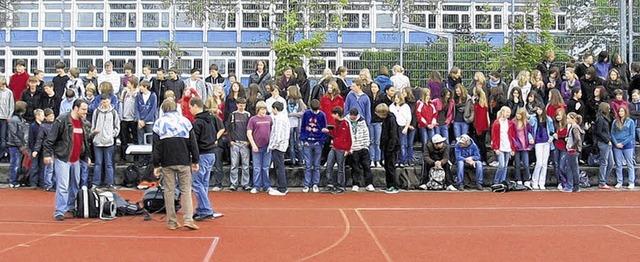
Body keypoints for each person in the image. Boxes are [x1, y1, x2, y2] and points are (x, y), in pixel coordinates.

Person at [152, 98, 200, 230]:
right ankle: (188, 219)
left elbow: (156, 147)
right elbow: (193, 144)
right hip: (183, 160)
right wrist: (195, 160)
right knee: (185, 190)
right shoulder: (186, 122)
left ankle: (172, 221)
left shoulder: (158, 124)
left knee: (169, 191)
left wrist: (156, 165)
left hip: (167, 161)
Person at [44, 99, 91, 221]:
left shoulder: (84, 123)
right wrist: (47, 154)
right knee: (63, 186)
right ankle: (60, 210)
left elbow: (85, 142)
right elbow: (50, 139)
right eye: (83, 109)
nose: (86, 112)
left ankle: (71, 206)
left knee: (75, 184)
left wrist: (87, 157)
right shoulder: (62, 120)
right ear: (76, 108)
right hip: (63, 158)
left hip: (76, 159)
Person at [190, 97, 222, 221]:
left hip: (202, 154)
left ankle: (206, 209)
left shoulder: (198, 122)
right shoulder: (212, 118)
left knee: (197, 183)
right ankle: (202, 208)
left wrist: (194, 159)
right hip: (211, 153)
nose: (190, 110)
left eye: (190, 107)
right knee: (204, 183)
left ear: (196, 106)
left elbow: (194, 142)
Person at [91, 95, 120, 189]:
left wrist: (112, 134)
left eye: (106, 101)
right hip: (97, 141)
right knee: (98, 163)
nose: (105, 104)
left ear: (110, 101)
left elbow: (117, 126)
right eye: (103, 102)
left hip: (109, 141)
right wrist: (94, 133)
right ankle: (95, 183)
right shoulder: (97, 111)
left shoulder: (114, 112)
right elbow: (93, 124)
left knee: (109, 163)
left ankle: (110, 183)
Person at [322, 106, 352, 194]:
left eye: (333, 114)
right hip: (335, 147)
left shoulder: (345, 124)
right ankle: (330, 183)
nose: (332, 115)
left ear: (337, 114)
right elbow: (335, 134)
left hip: (342, 148)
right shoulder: (336, 122)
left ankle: (341, 185)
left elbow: (348, 137)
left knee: (340, 167)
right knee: (329, 165)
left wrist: (348, 149)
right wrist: (328, 132)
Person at [300, 99, 327, 193]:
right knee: (307, 165)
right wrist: (304, 139)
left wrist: (320, 141)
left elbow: (324, 128)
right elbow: (303, 127)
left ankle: (315, 183)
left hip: (317, 143)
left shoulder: (322, 115)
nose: (315, 112)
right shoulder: (306, 114)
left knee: (316, 165)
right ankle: (307, 184)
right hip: (307, 142)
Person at [247, 101, 273, 194]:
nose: (263, 111)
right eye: (262, 109)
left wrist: (271, 144)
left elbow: (272, 131)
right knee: (257, 167)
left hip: (267, 147)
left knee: (265, 167)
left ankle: (267, 186)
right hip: (256, 147)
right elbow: (249, 132)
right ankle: (256, 186)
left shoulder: (269, 118)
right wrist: (253, 144)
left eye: (264, 109)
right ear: (258, 110)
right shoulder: (253, 119)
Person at [346, 108, 374, 192]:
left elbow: (366, 133)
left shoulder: (362, 121)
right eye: (352, 116)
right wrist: (349, 148)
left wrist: (366, 146)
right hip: (353, 149)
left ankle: (369, 183)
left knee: (366, 166)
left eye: (355, 116)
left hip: (362, 147)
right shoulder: (346, 121)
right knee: (355, 168)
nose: (353, 118)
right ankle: (355, 183)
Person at [227, 98, 252, 191]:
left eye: (243, 104)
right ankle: (233, 183)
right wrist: (230, 141)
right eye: (240, 104)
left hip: (245, 143)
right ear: (237, 105)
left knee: (245, 165)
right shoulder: (232, 115)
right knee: (234, 164)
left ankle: (245, 183)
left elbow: (251, 129)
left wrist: (249, 141)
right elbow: (228, 128)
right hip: (235, 142)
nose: (241, 106)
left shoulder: (248, 115)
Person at [529, 106, 555, 190]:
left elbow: (552, 130)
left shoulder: (548, 119)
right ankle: (534, 181)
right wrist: (530, 138)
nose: (539, 111)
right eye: (537, 109)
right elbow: (529, 130)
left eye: (540, 109)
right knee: (539, 162)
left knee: (544, 163)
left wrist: (551, 138)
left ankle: (542, 182)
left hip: (546, 142)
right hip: (538, 142)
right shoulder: (533, 118)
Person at [268, 101, 290, 196]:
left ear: (275, 109)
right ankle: (281, 186)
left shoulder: (279, 119)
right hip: (281, 145)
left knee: (279, 167)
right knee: (279, 166)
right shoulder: (284, 117)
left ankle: (282, 188)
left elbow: (278, 134)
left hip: (278, 146)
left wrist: (272, 145)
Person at [611, 106, 636, 189]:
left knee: (630, 164)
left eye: (622, 111)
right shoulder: (615, 122)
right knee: (618, 164)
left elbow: (632, 135)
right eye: (619, 111)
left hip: (627, 145)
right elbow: (612, 133)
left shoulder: (630, 122)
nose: (621, 113)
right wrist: (616, 143)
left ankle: (631, 182)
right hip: (617, 145)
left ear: (625, 112)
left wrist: (623, 143)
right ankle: (619, 181)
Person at [377, 103, 400, 194]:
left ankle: (394, 186)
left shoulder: (391, 119)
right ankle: (389, 185)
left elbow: (393, 135)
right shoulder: (386, 119)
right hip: (386, 146)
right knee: (387, 166)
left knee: (391, 166)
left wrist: (390, 148)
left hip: (391, 147)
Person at [491, 106, 516, 184]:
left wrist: (513, 148)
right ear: (502, 112)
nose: (508, 114)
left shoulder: (510, 123)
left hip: (508, 145)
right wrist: (495, 148)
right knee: (501, 165)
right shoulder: (497, 123)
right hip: (500, 146)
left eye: (509, 112)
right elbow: (494, 136)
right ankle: (496, 181)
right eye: (507, 112)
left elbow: (512, 136)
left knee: (505, 166)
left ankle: (502, 181)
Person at [593, 102, 614, 190]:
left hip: (606, 142)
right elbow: (599, 132)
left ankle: (603, 180)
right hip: (603, 142)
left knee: (611, 163)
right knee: (604, 162)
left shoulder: (604, 118)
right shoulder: (600, 118)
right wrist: (607, 140)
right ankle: (602, 182)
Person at [511, 108, 534, 188]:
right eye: (517, 114)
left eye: (520, 114)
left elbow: (530, 134)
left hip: (525, 146)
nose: (518, 116)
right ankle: (518, 179)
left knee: (526, 164)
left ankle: (527, 179)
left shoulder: (527, 123)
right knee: (517, 164)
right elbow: (511, 135)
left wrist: (530, 145)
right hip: (517, 146)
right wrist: (513, 145)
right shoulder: (513, 122)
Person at [33, 108, 55, 191]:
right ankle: (48, 185)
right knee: (49, 168)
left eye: (52, 115)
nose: (52, 117)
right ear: (46, 117)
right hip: (48, 149)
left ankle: (53, 183)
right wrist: (36, 150)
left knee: (54, 168)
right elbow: (39, 139)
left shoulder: (56, 124)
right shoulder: (43, 126)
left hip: (56, 149)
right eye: (50, 116)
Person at [7, 101, 28, 188]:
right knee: (14, 164)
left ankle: (15, 181)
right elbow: (13, 134)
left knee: (17, 164)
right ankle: (12, 181)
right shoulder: (15, 119)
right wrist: (21, 145)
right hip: (14, 145)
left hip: (18, 145)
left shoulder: (19, 119)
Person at [564, 112, 585, 192]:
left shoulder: (575, 127)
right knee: (572, 168)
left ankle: (574, 186)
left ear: (573, 119)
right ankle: (573, 185)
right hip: (573, 150)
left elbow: (577, 138)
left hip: (573, 150)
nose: (567, 120)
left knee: (572, 168)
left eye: (568, 118)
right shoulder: (574, 127)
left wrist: (572, 146)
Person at [27, 109, 45, 188]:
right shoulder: (33, 126)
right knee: (34, 166)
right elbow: (31, 139)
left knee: (42, 166)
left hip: (43, 149)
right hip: (35, 149)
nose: (43, 117)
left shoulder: (43, 125)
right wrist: (33, 149)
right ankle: (33, 183)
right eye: (42, 115)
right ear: (37, 116)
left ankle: (41, 182)